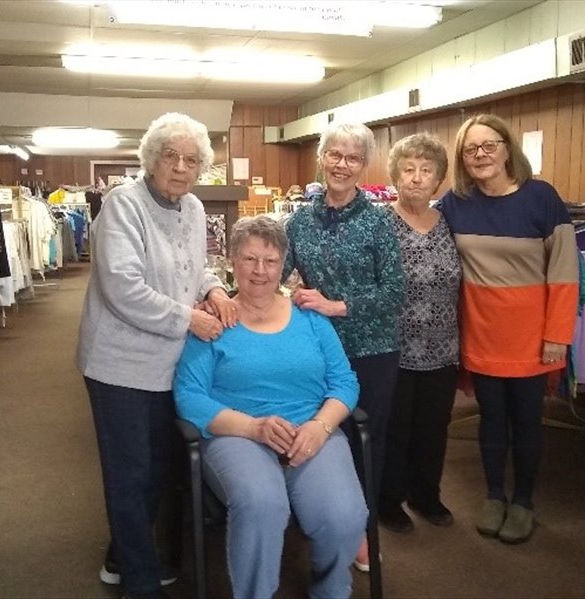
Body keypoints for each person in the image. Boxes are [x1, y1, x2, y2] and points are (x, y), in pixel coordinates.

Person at [76, 112, 238, 599]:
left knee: (158, 469)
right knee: (131, 472)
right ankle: (140, 582)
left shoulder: (189, 206)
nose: (181, 168)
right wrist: (190, 318)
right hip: (119, 364)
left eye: (192, 160)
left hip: (167, 361)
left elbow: (194, 266)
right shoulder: (123, 205)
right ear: (151, 158)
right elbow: (122, 288)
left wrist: (214, 289)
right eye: (171, 156)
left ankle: (122, 555)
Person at [174, 216, 367, 599]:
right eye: (249, 259)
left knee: (344, 515)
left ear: (284, 265)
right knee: (262, 504)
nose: (260, 271)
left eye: (271, 260)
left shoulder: (311, 317)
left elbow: (345, 382)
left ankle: (330, 588)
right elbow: (189, 396)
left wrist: (321, 427)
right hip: (237, 434)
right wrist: (253, 428)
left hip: (311, 430)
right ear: (231, 262)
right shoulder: (213, 321)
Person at [438, 114, 579, 544]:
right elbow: (418, 229)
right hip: (480, 332)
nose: (480, 155)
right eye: (470, 149)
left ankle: (524, 502)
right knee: (492, 420)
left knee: (527, 422)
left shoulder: (542, 198)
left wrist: (557, 335)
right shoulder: (455, 202)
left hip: (532, 336)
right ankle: (494, 495)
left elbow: (565, 271)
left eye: (489, 145)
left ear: (506, 148)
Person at [282, 121, 403, 571]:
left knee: (364, 441)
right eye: (335, 154)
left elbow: (394, 294)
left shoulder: (379, 222)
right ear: (322, 158)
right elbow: (276, 274)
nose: (342, 164)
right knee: (322, 435)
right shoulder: (298, 220)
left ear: (363, 165)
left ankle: (361, 532)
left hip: (372, 349)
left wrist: (335, 305)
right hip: (317, 351)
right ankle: (320, 518)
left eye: (353, 157)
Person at [378, 133, 462, 534]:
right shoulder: (381, 223)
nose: (415, 177)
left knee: (433, 427)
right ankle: (389, 500)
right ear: (395, 175)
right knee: (395, 428)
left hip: (443, 347)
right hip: (393, 347)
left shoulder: (450, 222)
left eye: (425, 170)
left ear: (438, 180)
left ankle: (425, 495)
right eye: (408, 169)